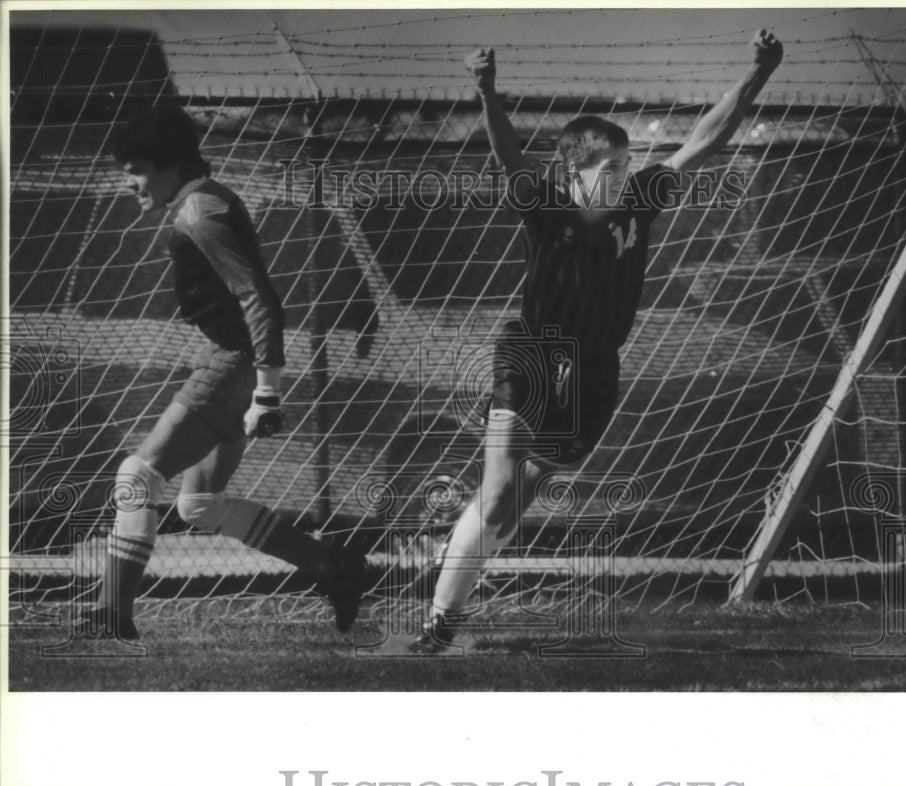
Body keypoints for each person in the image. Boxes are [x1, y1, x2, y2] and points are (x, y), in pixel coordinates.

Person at [414, 30, 783, 650]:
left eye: (626, 164)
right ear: (573, 172)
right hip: (530, 353)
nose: (622, 175)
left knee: (509, 502)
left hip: (594, 370)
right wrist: (486, 91)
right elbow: (508, 157)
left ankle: (456, 532)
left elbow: (705, 139)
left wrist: (759, 73)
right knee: (502, 490)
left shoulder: (639, 203)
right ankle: (441, 623)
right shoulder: (546, 206)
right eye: (609, 167)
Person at [78, 105, 367, 641]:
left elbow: (259, 299)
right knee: (197, 505)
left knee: (136, 477)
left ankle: (110, 617)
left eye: (136, 170)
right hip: (234, 362)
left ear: (166, 165)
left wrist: (266, 391)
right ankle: (330, 565)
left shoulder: (198, 211)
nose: (132, 185)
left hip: (234, 363)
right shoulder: (207, 198)